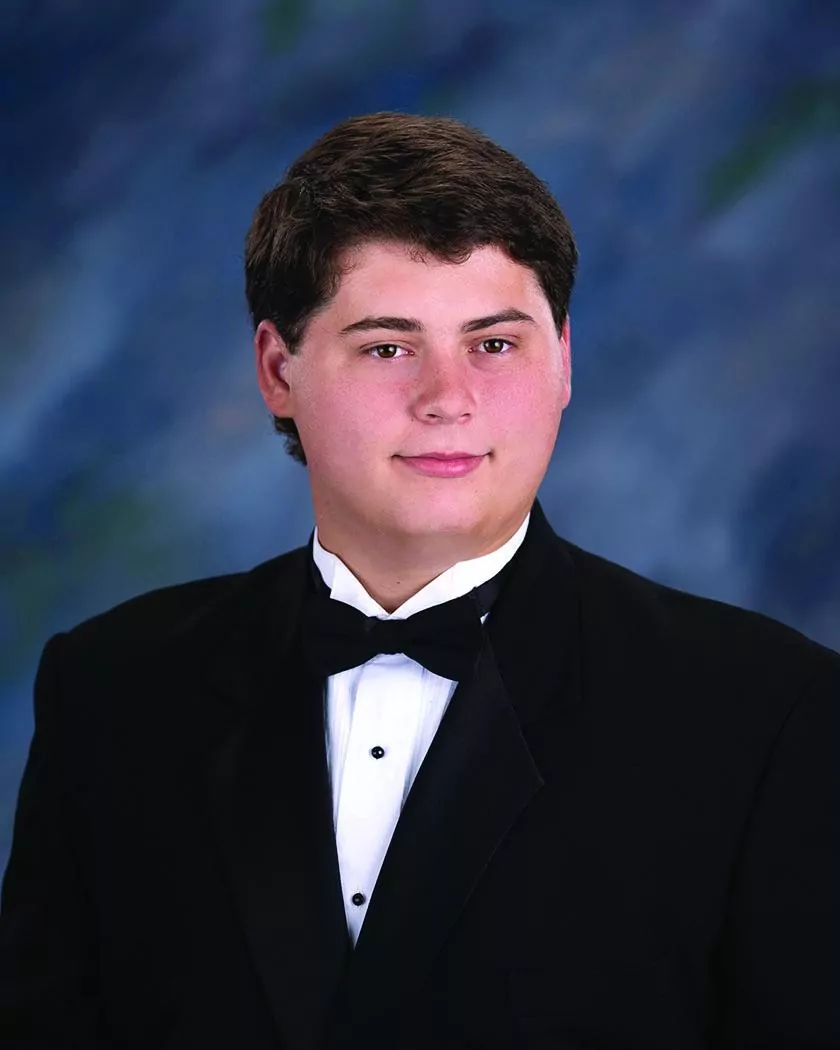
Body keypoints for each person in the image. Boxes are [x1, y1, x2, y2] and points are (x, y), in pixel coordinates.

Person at [0, 111, 838, 1050]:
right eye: (388, 347)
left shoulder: (768, 711)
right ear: (278, 370)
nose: (447, 398)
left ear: (563, 360)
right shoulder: (111, 688)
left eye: (494, 343)